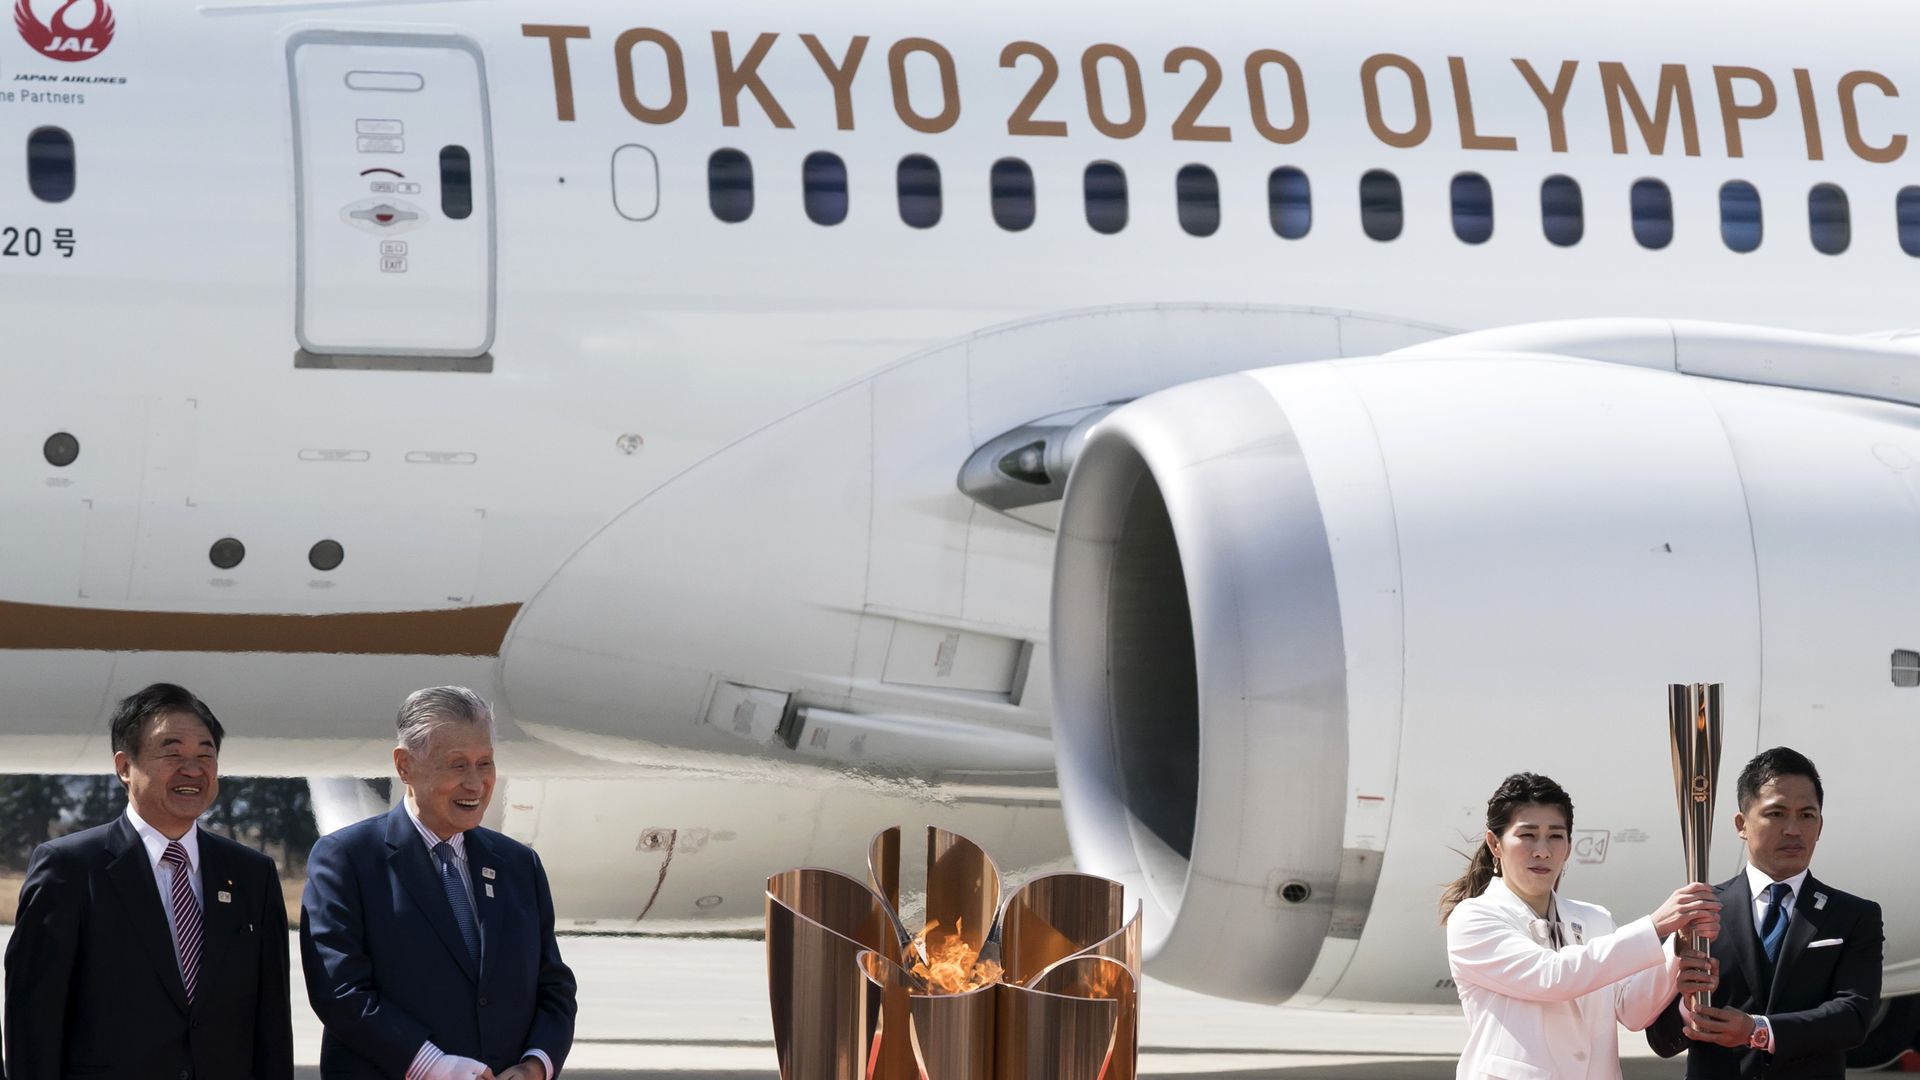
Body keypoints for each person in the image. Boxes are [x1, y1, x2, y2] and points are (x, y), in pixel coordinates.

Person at [3, 682, 294, 1080]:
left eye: (205, 753)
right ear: (124, 766)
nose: (192, 769)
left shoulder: (251, 874)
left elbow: (272, 1019)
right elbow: (33, 1019)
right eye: (172, 753)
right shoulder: (69, 868)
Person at [301, 687, 576, 1080]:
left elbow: (554, 986)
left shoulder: (518, 864)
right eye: (456, 764)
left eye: (485, 763)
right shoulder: (347, 859)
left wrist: (536, 1064)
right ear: (405, 766)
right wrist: (435, 1067)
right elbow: (341, 993)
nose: (475, 784)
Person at [1443, 772, 1721, 1079]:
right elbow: (1553, 976)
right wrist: (1655, 926)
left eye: (1555, 836)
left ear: (1569, 846)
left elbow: (1632, 1011)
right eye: (1527, 835)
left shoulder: (1594, 918)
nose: (1542, 850)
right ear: (1495, 844)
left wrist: (1678, 947)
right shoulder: (1474, 918)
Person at [1645, 747, 1882, 1077]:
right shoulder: (1701, 908)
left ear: (1821, 825)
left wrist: (1758, 1030)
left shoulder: (1854, 915)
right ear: (1742, 824)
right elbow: (1661, 1040)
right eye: (1777, 814)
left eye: (1806, 815)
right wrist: (1689, 1007)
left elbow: (1854, 1017)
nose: (1793, 830)